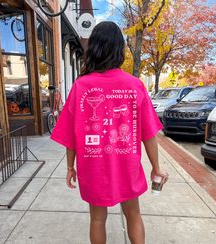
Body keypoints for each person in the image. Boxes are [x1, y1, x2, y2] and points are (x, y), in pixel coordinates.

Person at [51, 21, 168, 244]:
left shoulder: (81, 86)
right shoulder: (135, 85)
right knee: (133, 214)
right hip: (128, 165)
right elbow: (149, 133)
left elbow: (71, 134)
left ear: (93, 47)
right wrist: (156, 167)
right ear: (119, 50)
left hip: (93, 165)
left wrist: (69, 167)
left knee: (97, 218)